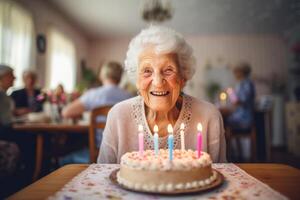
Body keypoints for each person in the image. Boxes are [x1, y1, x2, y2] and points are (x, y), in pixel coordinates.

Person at [97, 26, 226, 164]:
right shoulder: (118, 116)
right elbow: (102, 177)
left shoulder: (209, 117)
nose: (158, 82)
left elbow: (220, 176)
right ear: (137, 80)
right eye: (147, 71)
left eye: (168, 70)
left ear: (183, 78)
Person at [60, 61, 132, 164]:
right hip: (124, 152)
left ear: (102, 76)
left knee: (65, 160)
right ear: (120, 77)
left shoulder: (93, 95)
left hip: (98, 152)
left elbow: (65, 112)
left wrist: (81, 113)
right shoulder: (129, 96)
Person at [226, 62, 256, 130]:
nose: (234, 74)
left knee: (223, 121)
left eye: (236, 72)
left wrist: (230, 93)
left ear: (242, 72)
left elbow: (238, 102)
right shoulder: (240, 83)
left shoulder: (246, 84)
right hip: (240, 115)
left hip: (244, 118)